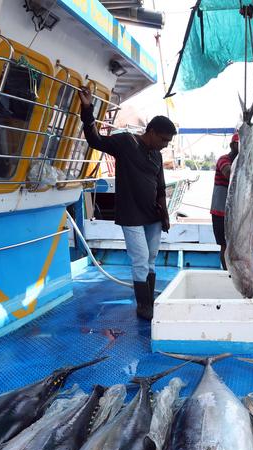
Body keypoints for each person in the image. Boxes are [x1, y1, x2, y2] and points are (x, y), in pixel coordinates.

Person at [78, 86, 176, 320]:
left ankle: (149, 301)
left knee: (150, 260)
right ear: (151, 131)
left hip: (152, 216)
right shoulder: (125, 143)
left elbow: (160, 187)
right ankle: (143, 306)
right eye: (163, 139)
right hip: (131, 215)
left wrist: (165, 215)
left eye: (168, 141)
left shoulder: (157, 155)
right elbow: (95, 140)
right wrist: (87, 108)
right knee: (140, 260)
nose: (165, 144)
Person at [210, 133, 239, 269]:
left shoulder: (243, 162)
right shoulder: (223, 159)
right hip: (220, 211)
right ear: (233, 145)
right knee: (225, 245)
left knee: (237, 244)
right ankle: (227, 272)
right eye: (240, 144)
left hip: (237, 213)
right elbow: (229, 173)